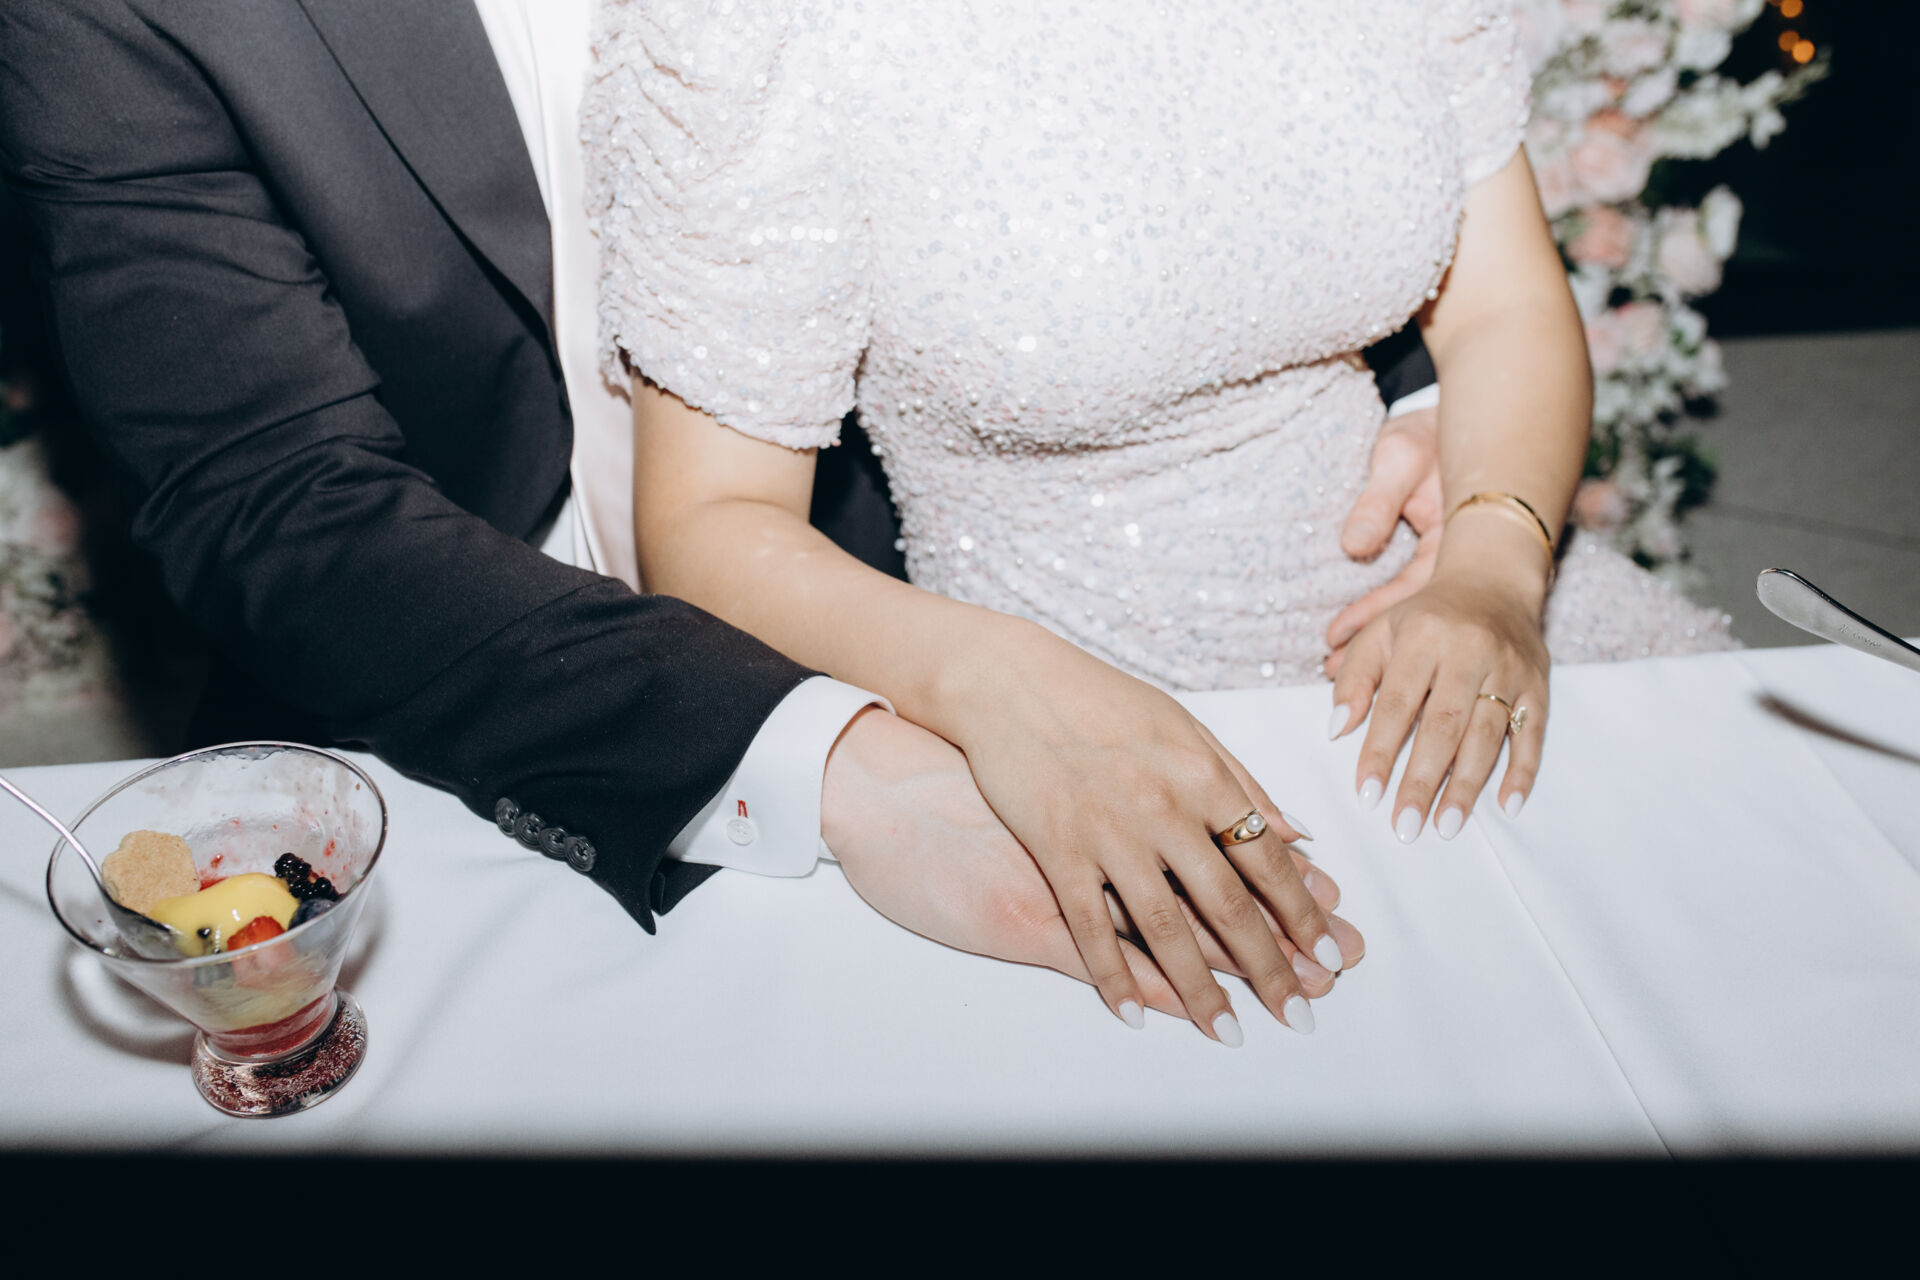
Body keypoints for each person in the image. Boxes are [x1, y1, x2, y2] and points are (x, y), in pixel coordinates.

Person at [0, 0, 1416, 1040]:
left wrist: (1435, 389)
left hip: (891, 592)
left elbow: (1170, 96)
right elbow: (276, 498)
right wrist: (846, 760)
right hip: (430, 716)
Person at [586, 0, 1736, 1038]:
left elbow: (1500, 305)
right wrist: (1001, 688)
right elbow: (711, 521)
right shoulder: (754, 32)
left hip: (1450, 587)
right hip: (1053, 711)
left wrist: (1493, 564)